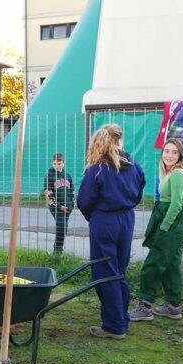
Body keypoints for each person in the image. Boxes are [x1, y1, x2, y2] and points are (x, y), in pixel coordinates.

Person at [77, 124, 145, 339]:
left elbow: (84, 200)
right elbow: (139, 189)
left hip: (105, 220)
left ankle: (114, 325)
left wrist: (95, 217)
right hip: (126, 218)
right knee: (118, 269)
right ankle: (121, 316)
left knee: (105, 272)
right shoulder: (133, 166)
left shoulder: (97, 168)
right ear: (119, 141)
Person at [131, 139, 183, 321]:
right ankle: (173, 306)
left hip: (169, 223)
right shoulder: (170, 172)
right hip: (168, 221)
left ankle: (145, 306)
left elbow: (176, 204)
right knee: (171, 264)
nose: (169, 155)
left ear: (180, 155)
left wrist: (164, 226)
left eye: (174, 152)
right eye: (166, 151)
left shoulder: (178, 174)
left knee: (153, 263)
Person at [44, 153, 74, 255]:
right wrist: (60, 207)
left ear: (63, 163)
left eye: (59, 163)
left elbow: (72, 192)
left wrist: (71, 205)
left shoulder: (67, 175)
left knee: (64, 228)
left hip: (67, 207)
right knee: (61, 226)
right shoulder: (50, 175)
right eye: (54, 163)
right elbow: (49, 195)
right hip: (56, 207)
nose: (56, 166)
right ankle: (56, 252)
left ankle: (59, 250)